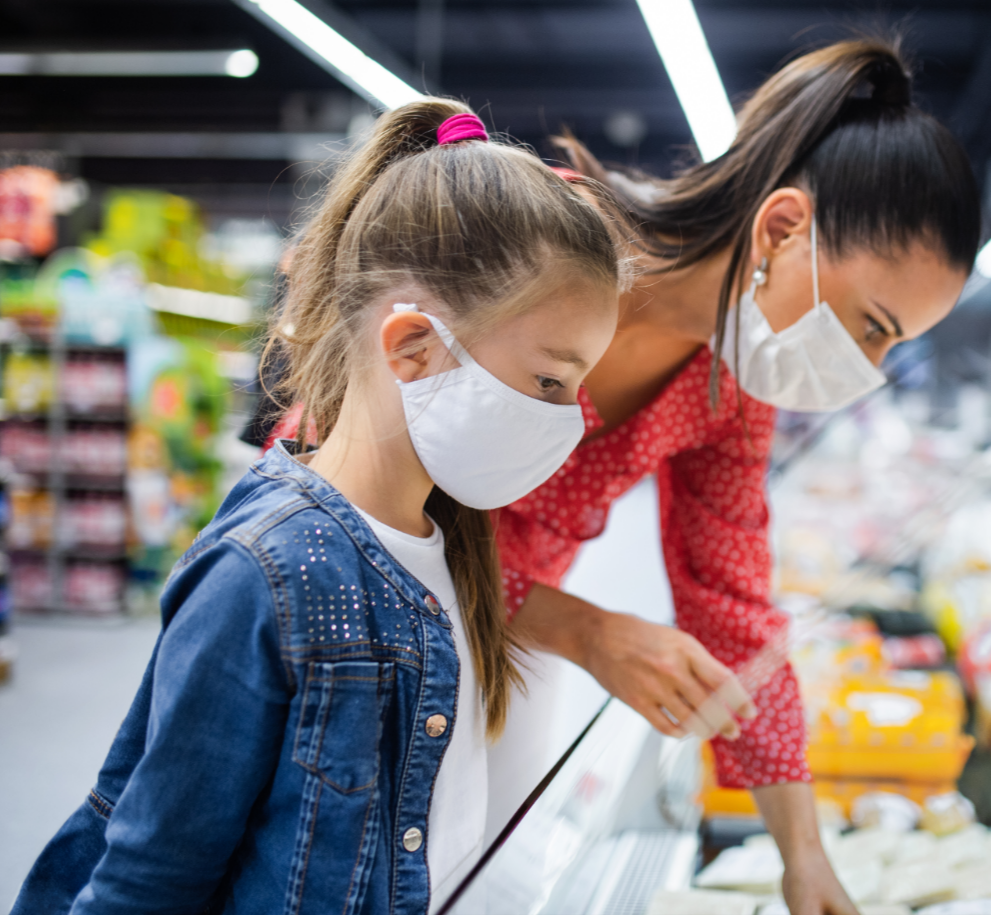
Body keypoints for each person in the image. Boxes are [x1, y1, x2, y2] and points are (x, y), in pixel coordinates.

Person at [13, 99, 623, 915]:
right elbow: (147, 880)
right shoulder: (269, 573)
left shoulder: (454, 548)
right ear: (412, 346)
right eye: (550, 380)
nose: (570, 417)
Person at [496, 38, 981, 915]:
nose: (867, 367)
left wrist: (803, 857)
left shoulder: (727, 383)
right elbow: (364, 510)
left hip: (495, 646)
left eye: (892, 347)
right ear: (783, 228)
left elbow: (731, 607)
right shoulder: (544, 248)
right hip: (330, 610)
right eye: (872, 326)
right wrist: (588, 632)